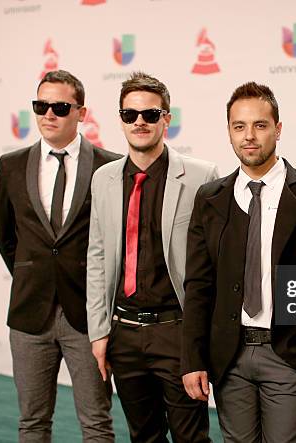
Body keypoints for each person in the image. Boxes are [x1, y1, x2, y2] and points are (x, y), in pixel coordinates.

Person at [181, 81, 296, 442]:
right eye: (239, 126)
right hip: (228, 357)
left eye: (260, 125)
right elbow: (199, 285)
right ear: (229, 132)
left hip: (289, 354)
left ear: (278, 129)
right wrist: (193, 360)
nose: (249, 136)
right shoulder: (210, 198)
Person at [86, 72, 218, 443]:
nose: (139, 122)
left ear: (166, 118)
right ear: (121, 120)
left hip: (176, 332)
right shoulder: (103, 179)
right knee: (143, 436)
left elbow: (213, 264)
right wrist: (99, 332)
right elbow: (96, 258)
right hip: (124, 333)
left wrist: (199, 342)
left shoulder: (201, 177)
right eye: (130, 115)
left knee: (191, 438)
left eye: (149, 114)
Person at [0, 69, 120, 442]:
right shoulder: (11, 165)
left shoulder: (109, 167)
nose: (48, 114)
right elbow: (6, 237)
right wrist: (33, 276)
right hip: (30, 313)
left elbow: (115, 243)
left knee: (96, 424)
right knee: (32, 422)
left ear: (81, 112)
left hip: (88, 317)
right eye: (40, 105)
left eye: (60, 107)